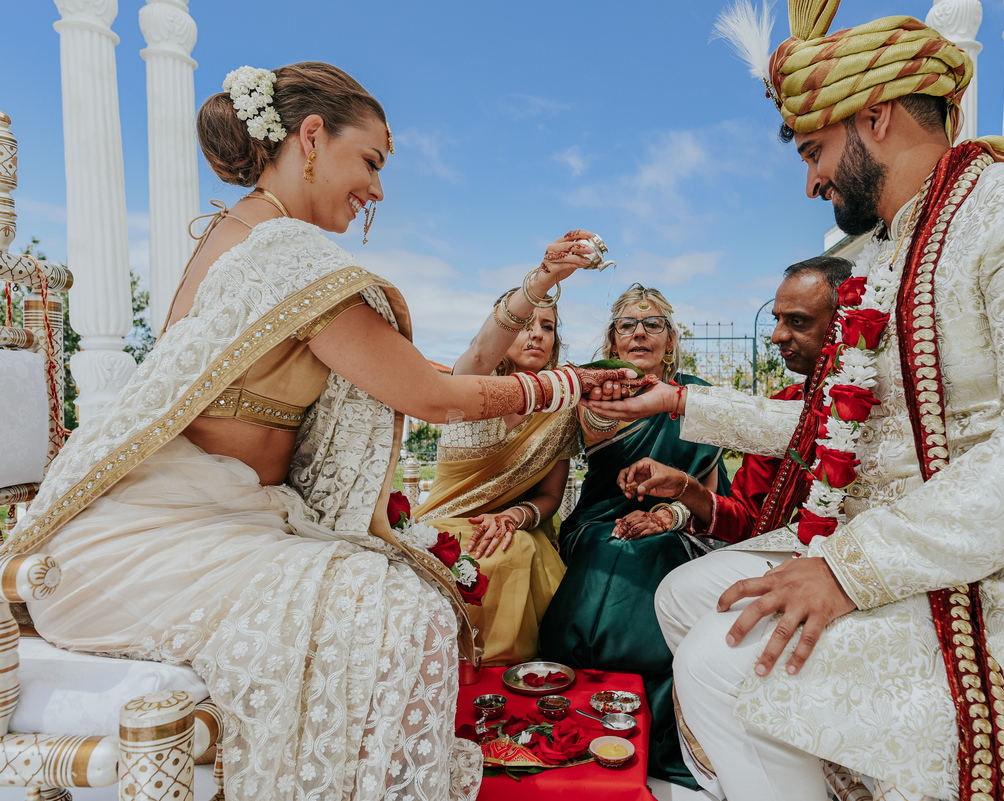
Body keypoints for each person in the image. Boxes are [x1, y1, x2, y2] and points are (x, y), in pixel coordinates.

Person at [4, 62, 645, 801]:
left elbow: (423, 371)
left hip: (214, 521)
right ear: (311, 136)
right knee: (404, 617)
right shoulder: (285, 253)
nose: (377, 188)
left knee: (411, 598)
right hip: (167, 536)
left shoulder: (246, 233)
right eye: (370, 161)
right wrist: (567, 383)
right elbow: (434, 395)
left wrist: (534, 288)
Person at [583, 2, 1004, 798]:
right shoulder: (892, 250)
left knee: (722, 663)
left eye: (815, 150)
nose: (811, 179)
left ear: (875, 119)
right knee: (683, 591)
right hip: (902, 546)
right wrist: (677, 401)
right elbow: (835, 430)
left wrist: (850, 568)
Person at [538, 283, 731, 790]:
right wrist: (609, 400)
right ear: (612, 339)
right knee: (611, 548)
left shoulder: (698, 396)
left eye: (653, 325)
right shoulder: (596, 385)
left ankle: (658, 732)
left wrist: (669, 515)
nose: (640, 333)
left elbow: (710, 491)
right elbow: (588, 425)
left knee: (654, 552)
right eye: (627, 325)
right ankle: (577, 714)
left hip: (674, 522)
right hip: (601, 520)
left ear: (671, 340)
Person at [615, 257, 850, 544]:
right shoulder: (781, 403)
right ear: (613, 340)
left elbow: (807, 423)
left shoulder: (881, 402)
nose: (777, 336)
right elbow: (750, 519)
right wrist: (682, 485)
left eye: (797, 321)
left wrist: (677, 401)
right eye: (777, 320)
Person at [414, 271, 583, 666]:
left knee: (515, 548)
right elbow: (477, 351)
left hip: (511, 524)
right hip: (444, 520)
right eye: (525, 324)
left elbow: (551, 496)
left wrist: (512, 515)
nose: (537, 334)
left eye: (548, 326)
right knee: (481, 556)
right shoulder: (472, 384)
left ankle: (503, 679)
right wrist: (542, 280)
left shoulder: (561, 411)